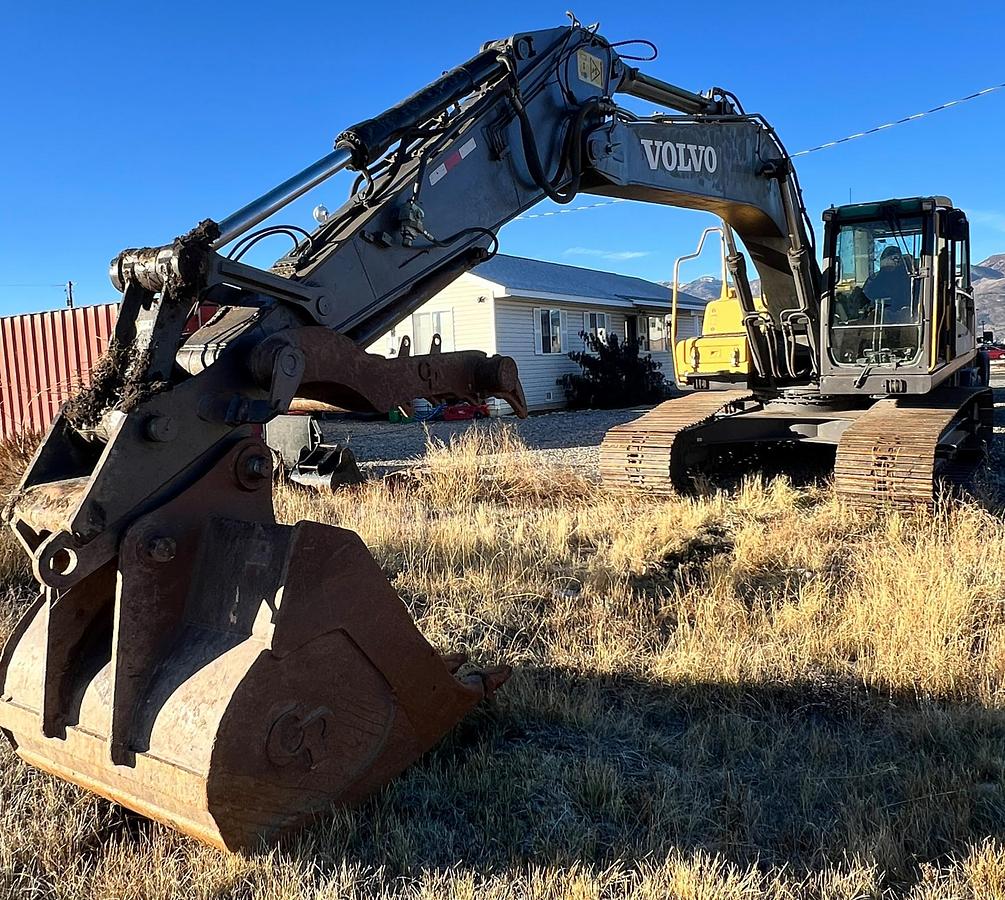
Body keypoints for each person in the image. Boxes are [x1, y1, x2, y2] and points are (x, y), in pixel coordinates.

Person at [863, 246, 911, 320]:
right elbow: (866, 298)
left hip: (906, 320)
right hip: (879, 319)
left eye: (897, 259)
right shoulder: (875, 279)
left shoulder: (911, 280)